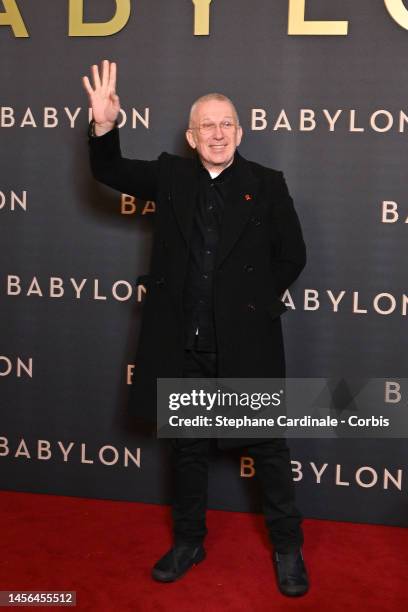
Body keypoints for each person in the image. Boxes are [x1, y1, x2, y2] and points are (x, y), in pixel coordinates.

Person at [83, 60, 308, 597]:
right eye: (207, 125)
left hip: (246, 346)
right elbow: (108, 172)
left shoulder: (267, 184)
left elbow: (292, 255)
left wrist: (247, 307)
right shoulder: (171, 175)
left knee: (269, 451)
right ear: (191, 136)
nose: (218, 132)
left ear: (240, 131)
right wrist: (104, 126)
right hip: (184, 346)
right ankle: (189, 541)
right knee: (187, 451)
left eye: (226, 123)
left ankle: (287, 548)